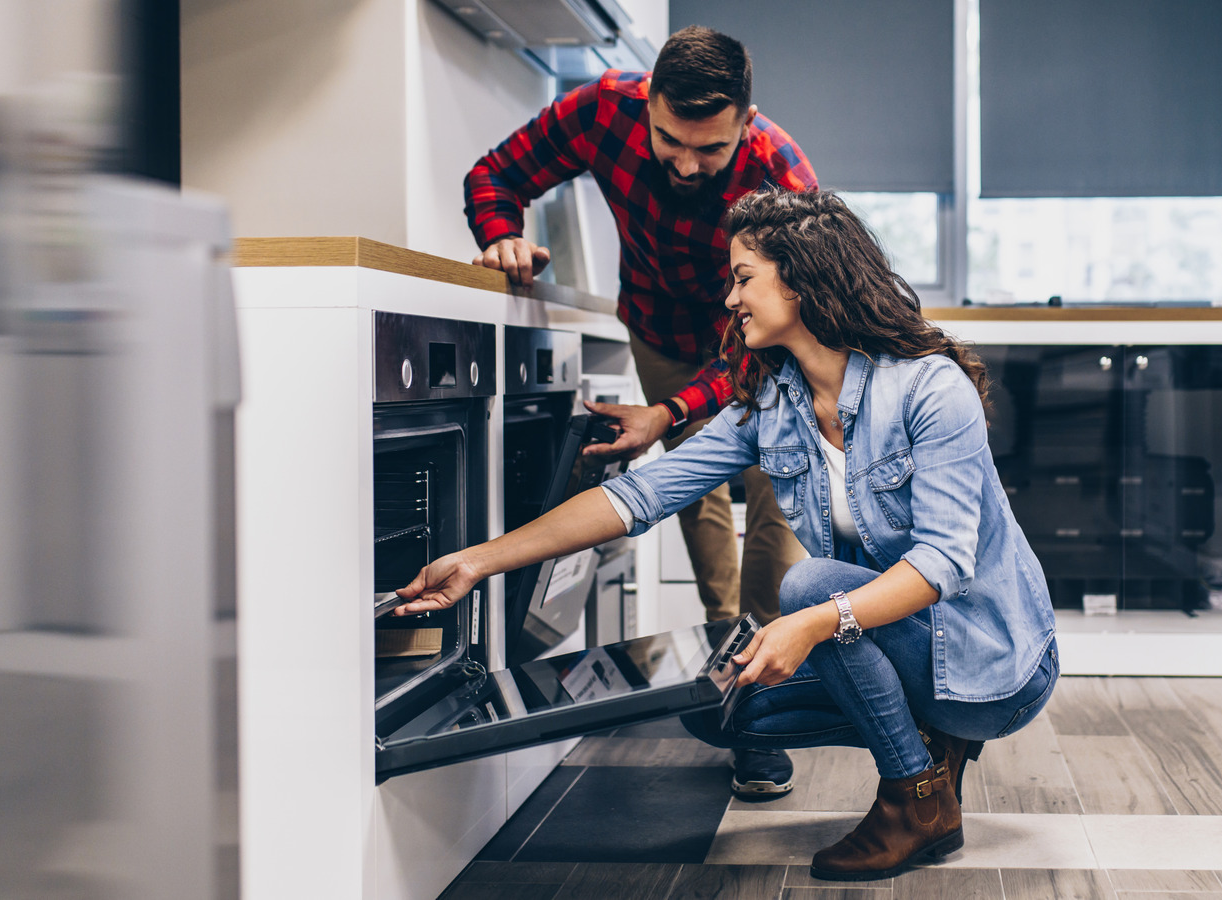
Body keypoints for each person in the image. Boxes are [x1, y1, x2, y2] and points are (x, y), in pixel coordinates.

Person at [398, 188, 1059, 881]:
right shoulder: (777, 405)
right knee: (730, 714)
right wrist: (478, 561)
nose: (730, 299)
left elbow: (943, 563)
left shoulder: (930, 389)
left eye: (744, 278)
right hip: (901, 642)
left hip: (994, 664)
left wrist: (811, 624)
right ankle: (923, 740)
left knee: (807, 585)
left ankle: (913, 798)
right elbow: (642, 493)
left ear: (802, 280)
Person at [464, 25, 813, 797]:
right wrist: (502, 238)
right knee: (694, 492)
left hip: (757, 339)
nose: (686, 164)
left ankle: (763, 702)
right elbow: (493, 176)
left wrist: (671, 410)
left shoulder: (781, 174)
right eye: (669, 140)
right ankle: (733, 664)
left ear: (745, 124)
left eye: (709, 150)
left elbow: (780, 328)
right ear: (648, 103)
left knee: (776, 491)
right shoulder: (600, 112)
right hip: (657, 326)